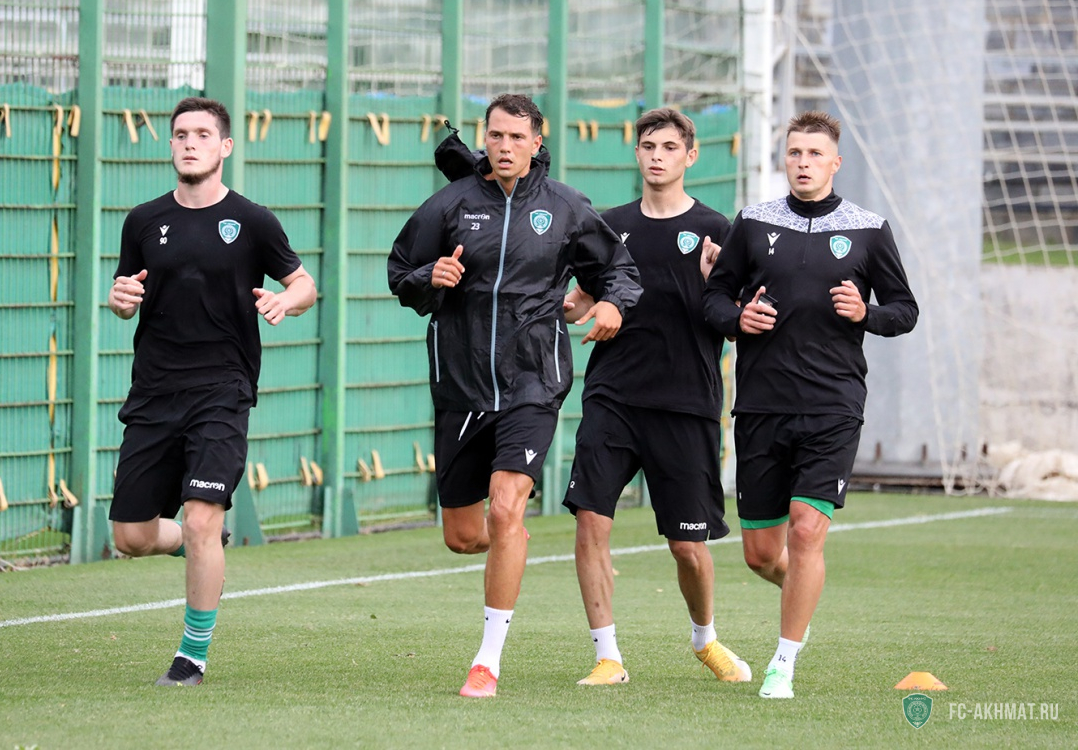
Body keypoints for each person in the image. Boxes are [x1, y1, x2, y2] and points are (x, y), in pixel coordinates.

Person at [387, 93, 642, 698]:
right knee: (462, 535)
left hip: (533, 383)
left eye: (516, 137)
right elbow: (399, 272)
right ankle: (509, 540)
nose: (504, 147)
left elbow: (619, 270)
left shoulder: (566, 207)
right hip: (461, 387)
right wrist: (430, 278)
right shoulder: (449, 204)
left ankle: (487, 661)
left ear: (537, 142)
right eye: (495, 136)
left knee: (506, 509)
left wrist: (611, 304)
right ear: (485, 138)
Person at [703, 110, 918, 699]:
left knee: (805, 532)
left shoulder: (868, 228)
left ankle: (784, 663)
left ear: (835, 163)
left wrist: (867, 313)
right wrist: (738, 319)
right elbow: (714, 298)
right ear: (785, 159)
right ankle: (803, 593)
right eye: (795, 153)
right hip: (761, 406)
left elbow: (904, 310)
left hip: (833, 405)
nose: (803, 163)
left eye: (815, 154)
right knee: (760, 554)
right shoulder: (752, 222)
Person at [107, 96, 317, 687]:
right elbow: (125, 294)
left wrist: (285, 300)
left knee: (202, 517)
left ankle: (191, 658)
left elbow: (304, 284)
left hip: (222, 390)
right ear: (171, 145)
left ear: (224, 146)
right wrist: (119, 300)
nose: (189, 143)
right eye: (180, 134)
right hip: (154, 391)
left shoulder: (252, 221)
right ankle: (199, 543)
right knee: (131, 537)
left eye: (202, 134)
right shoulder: (143, 221)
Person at [562, 107, 750, 688]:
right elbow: (582, 297)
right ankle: (608, 657)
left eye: (670, 147)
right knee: (591, 522)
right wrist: (565, 307)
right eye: (649, 146)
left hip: (686, 402)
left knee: (687, 547)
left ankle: (705, 640)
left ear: (690, 156)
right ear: (637, 153)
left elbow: (737, 316)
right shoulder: (609, 225)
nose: (657, 156)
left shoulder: (717, 228)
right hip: (613, 397)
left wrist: (721, 285)